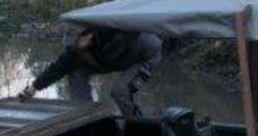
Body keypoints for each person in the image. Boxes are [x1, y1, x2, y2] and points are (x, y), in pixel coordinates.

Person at [20, 25, 162, 117]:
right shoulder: (76, 49)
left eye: (83, 41)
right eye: (77, 44)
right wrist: (34, 87)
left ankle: (137, 123)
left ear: (90, 36)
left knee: (120, 91)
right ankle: (87, 115)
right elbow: (59, 67)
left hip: (144, 56)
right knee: (75, 71)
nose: (79, 46)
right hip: (110, 59)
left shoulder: (111, 31)